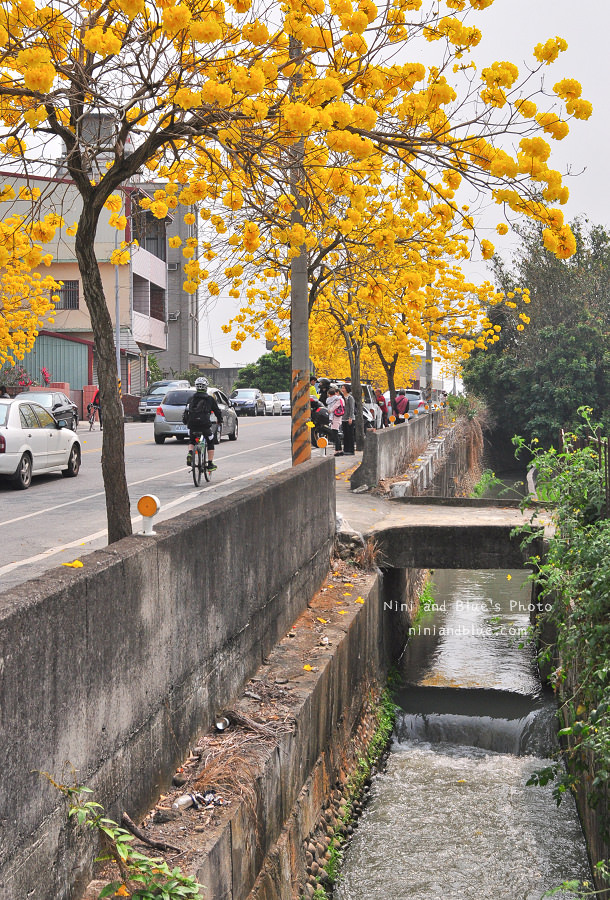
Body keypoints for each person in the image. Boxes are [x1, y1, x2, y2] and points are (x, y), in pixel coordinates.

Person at [184, 376, 222, 471]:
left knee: (192, 440)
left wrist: (186, 422)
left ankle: (190, 453)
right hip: (204, 425)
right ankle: (210, 464)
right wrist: (220, 420)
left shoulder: (191, 398)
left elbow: (186, 412)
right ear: (206, 387)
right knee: (210, 441)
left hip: (192, 424)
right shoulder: (210, 399)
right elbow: (217, 411)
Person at [326, 383, 344, 453]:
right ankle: (339, 449)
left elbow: (333, 408)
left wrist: (330, 411)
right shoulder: (340, 399)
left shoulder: (336, 400)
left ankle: (337, 450)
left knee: (335, 434)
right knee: (335, 433)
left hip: (335, 417)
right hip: (338, 417)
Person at [340, 383, 355, 454]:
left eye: (343, 388)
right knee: (345, 434)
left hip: (349, 418)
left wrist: (350, 417)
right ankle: (345, 449)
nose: (342, 389)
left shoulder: (350, 397)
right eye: (342, 388)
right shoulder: (341, 397)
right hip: (343, 418)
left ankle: (351, 450)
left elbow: (352, 408)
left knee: (350, 434)